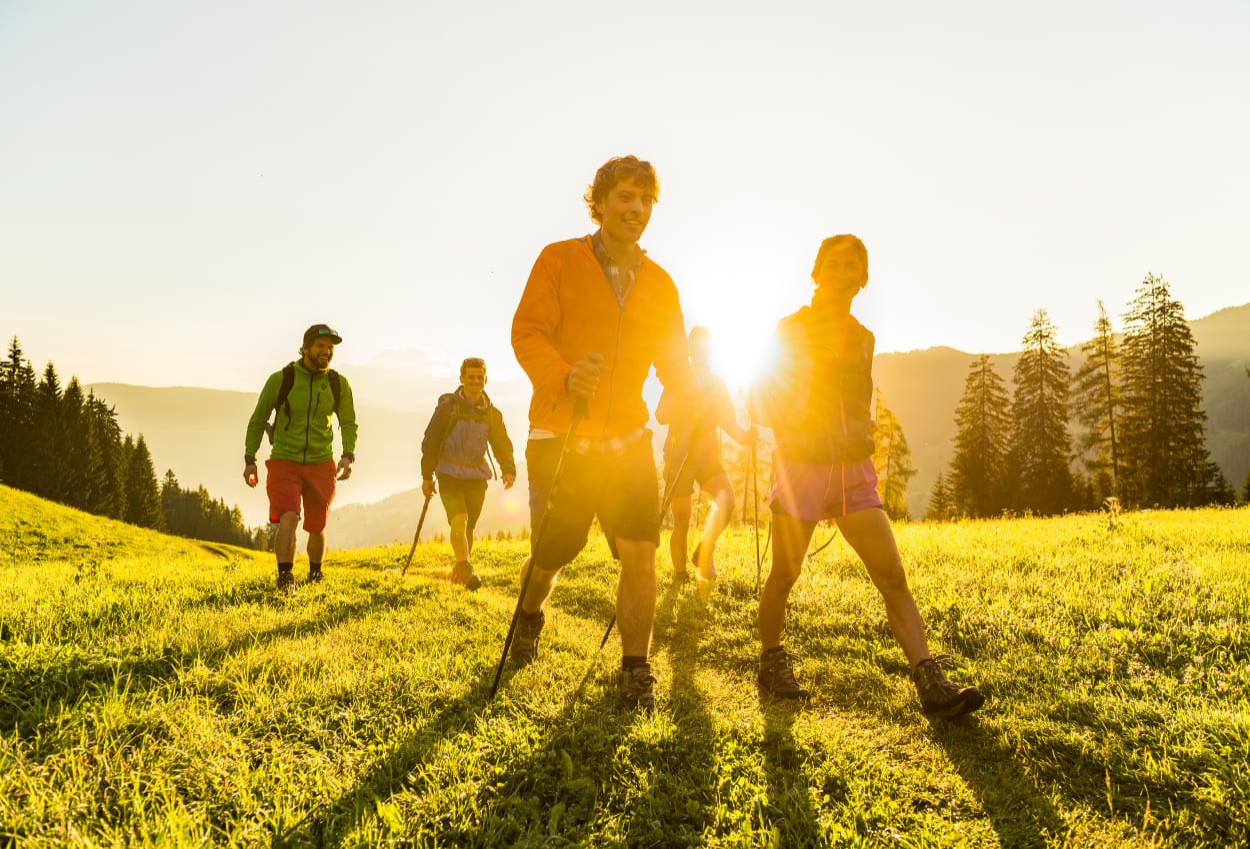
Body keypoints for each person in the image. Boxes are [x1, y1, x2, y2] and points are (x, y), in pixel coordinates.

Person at [750, 235, 984, 718]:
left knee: (892, 575)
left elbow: (859, 394)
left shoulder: (863, 336)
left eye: (852, 264)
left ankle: (930, 682)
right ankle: (771, 658)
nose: (842, 270)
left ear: (863, 278)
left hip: (853, 470)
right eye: (832, 263)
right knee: (786, 573)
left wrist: (863, 429)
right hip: (801, 468)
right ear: (815, 272)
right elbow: (766, 392)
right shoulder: (790, 328)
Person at [510, 155, 693, 711]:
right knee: (553, 554)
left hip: (629, 441)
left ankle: (636, 673)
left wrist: (683, 393)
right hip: (561, 436)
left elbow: (674, 360)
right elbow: (527, 332)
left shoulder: (660, 284)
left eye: (645, 200)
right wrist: (562, 375)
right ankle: (529, 613)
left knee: (640, 553)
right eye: (625, 198)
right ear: (601, 202)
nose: (635, 209)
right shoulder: (560, 260)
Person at [244, 324, 358, 591]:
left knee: (317, 525)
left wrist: (348, 455)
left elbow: (349, 422)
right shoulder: (282, 379)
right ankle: (285, 578)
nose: (326, 352)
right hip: (285, 459)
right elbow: (258, 419)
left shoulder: (338, 384)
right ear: (305, 348)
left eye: (330, 348)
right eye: (320, 346)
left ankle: (315, 574)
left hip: (322, 461)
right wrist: (250, 458)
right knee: (290, 517)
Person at [656, 326, 756, 587]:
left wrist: (745, 436)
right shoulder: (678, 378)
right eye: (696, 347)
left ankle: (705, 548)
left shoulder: (717, 383)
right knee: (682, 518)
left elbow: (727, 420)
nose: (700, 352)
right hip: (679, 453)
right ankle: (680, 575)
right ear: (690, 349)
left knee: (728, 500)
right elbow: (661, 414)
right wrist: (683, 402)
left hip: (707, 453)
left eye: (704, 347)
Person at [420, 357, 517, 590]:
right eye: (470, 377)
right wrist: (426, 475)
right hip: (448, 472)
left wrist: (508, 470)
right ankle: (466, 568)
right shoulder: (447, 408)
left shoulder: (492, 414)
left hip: (476, 475)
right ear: (461, 379)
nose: (475, 381)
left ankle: (461, 568)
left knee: (469, 527)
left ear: (485, 379)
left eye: (479, 377)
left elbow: (501, 443)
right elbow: (431, 441)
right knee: (459, 520)